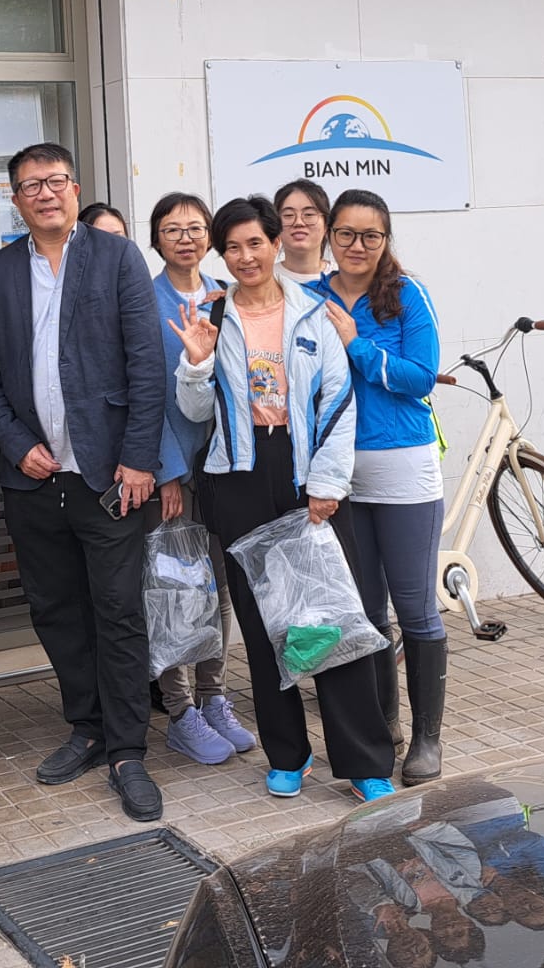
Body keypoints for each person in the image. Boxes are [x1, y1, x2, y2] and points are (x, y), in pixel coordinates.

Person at [171, 194, 398, 803]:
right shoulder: (211, 317)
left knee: (328, 614)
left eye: (255, 243)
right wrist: (194, 365)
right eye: (233, 246)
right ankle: (287, 754)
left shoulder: (313, 313)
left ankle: (363, 761)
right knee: (264, 620)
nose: (245, 256)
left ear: (276, 244)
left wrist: (326, 484)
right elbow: (195, 416)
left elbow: (338, 402)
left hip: (304, 472)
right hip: (237, 476)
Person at [0, 143, 167, 822]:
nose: (45, 194)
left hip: (108, 474)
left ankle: (128, 750)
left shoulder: (117, 259)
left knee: (117, 610)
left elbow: (147, 365)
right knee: (54, 608)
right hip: (34, 477)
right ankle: (85, 726)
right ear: (15, 199)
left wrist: (140, 458)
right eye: (31, 186)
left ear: (75, 189)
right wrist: (15, 442)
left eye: (55, 181)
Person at [317, 189, 446, 783]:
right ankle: (384, 727)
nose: (358, 246)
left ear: (386, 239)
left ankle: (426, 741)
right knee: (365, 611)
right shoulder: (311, 296)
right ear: (329, 236)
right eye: (346, 233)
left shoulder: (406, 295)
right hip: (338, 473)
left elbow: (421, 379)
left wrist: (356, 345)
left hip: (402, 468)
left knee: (415, 609)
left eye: (371, 235)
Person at [146, 192, 255, 765]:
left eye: (194, 227)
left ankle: (215, 698)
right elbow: (144, 394)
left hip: (224, 466)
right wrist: (164, 471)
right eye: (172, 228)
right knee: (174, 590)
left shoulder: (228, 296)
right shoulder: (143, 300)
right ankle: (180, 710)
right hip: (175, 473)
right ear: (156, 238)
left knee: (220, 589)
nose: (185, 237)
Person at [273, 179, 333, 285]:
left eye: (309, 214)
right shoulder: (266, 279)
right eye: (288, 215)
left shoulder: (343, 277)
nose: (298, 223)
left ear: (326, 225)